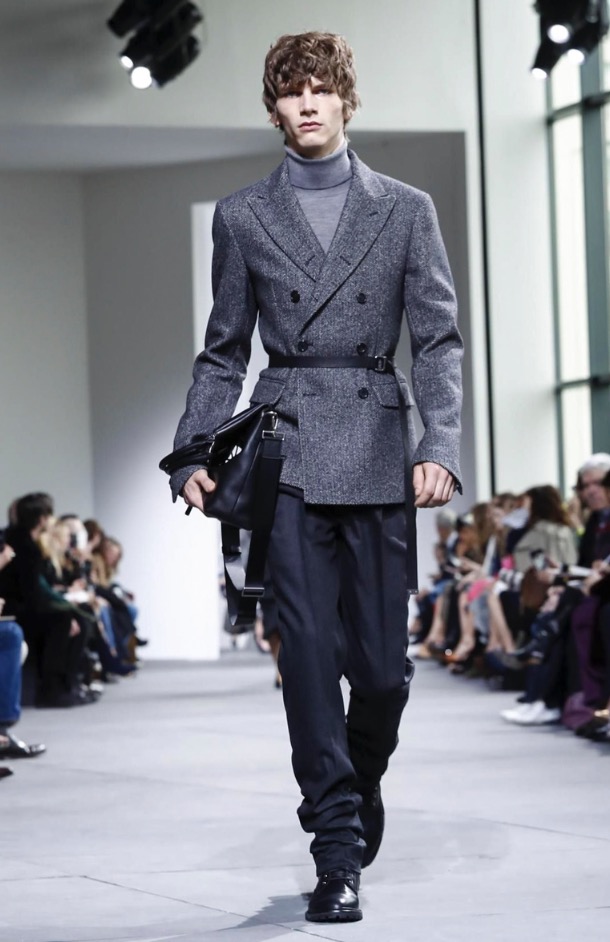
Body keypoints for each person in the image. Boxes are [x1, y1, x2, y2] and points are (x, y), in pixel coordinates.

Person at [167, 32, 462, 923]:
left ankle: (359, 783)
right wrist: (192, 450)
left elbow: (438, 340)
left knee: (382, 674)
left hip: (376, 447)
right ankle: (336, 850)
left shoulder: (405, 209)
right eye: (291, 91)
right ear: (274, 108)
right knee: (304, 664)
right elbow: (224, 350)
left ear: (345, 100)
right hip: (288, 450)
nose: (306, 103)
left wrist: (441, 443)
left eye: (320, 88)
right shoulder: (242, 216)